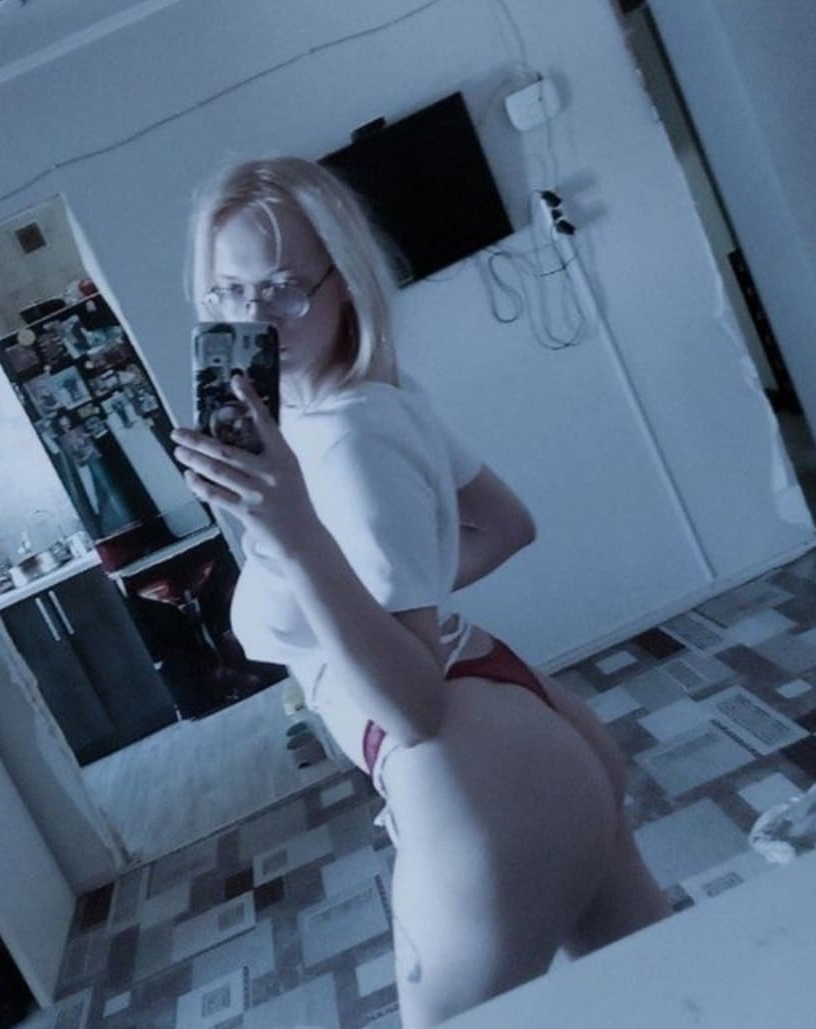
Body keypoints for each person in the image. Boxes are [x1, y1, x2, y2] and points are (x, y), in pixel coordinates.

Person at [170, 156, 670, 1028]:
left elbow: (413, 706)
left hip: (476, 781)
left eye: (284, 287)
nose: (255, 317)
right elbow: (505, 526)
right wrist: (374, 595)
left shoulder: (346, 445)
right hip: (522, 720)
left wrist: (295, 532)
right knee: (667, 998)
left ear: (344, 283)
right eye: (230, 291)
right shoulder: (367, 401)